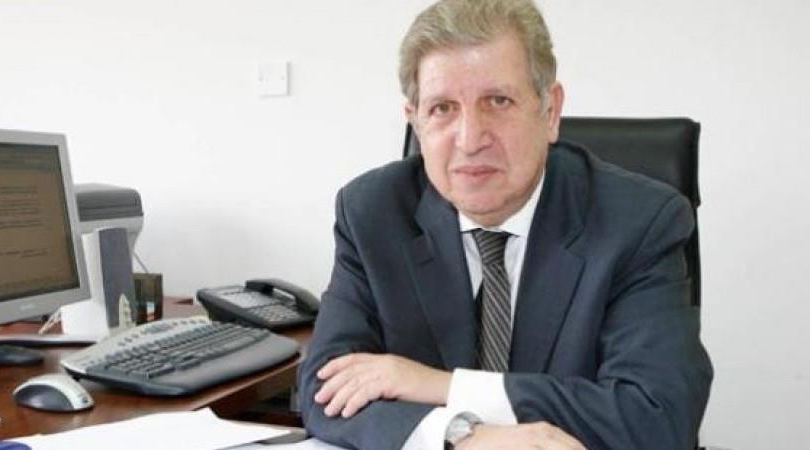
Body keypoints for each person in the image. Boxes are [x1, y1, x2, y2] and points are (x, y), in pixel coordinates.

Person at [298, 0, 713, 448]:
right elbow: (324, 391)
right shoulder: (373, 213)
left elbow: (657, 417)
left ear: (550, 111)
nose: (470, 139)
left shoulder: (639, 223)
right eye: (442, 108)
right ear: (415, 122)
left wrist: (442, 386)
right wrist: (463, 437)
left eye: (498, 101)